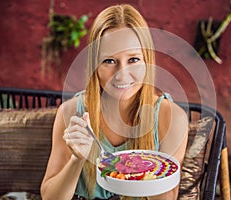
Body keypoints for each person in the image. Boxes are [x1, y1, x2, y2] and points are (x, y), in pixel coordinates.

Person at [41, 4, 188, 200]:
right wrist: (77, 159)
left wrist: (147, 166)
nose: (121, 75)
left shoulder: (171, 117)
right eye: (109, 61)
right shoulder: (71, 112)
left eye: (133, 60)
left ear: (147, 61)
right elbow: (50, 197)